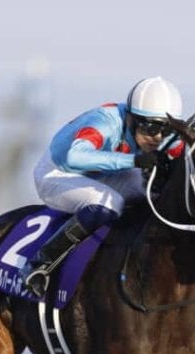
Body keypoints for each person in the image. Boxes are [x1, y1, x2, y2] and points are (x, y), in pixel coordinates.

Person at [21, 76, 185, 298]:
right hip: (59, 173)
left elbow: (183, 156)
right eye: (150, 127)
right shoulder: (105, 121)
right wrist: (135, 160)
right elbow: (75, 157)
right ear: (131, 118)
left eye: (166, 130)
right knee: (111, 202)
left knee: (152, 195)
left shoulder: (160, 135)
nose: (157, 137)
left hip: (103, 173)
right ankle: (40, 264)